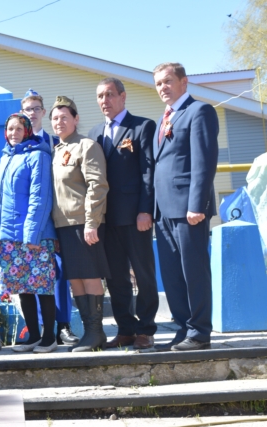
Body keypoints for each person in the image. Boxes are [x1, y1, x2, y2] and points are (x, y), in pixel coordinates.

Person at [87, 78, 159, 350]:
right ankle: (126, 329)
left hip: (134, 216)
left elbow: (147, 172)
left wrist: (145, 210)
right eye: (100, 96)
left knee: (143, 274)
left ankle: (146, 329)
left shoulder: (142, 126)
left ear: (122, 97)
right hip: (106, 219)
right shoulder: (94, 133)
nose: (104, 101)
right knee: (115, 277)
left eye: (109, 95)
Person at [151, 62, 218, 352]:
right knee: (172, 274)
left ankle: (200, 331)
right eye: (158, 84)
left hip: (188, 209)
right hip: (163, 212)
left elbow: (204, 163)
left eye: (168, 81)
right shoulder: (164, 118)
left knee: (193, 270)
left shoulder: (198, 111)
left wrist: (197, 205)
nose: (163, 88)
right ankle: (183, 328)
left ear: (183, 82)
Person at [0, 114, 59, 354]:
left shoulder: (38, 155)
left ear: (28, 130)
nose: (13, 133)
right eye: (10, 128)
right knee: (23, 287)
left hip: (34, 235)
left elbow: (39, 198)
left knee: (42, 286)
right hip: (8, 235)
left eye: (19, 128)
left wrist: (32, 234)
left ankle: (50, 337)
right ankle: (33, 335)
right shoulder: (5, 158)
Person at [50, 96, 110, 352]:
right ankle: (89, 331)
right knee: (74, 278)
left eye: (64, 117)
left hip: (83, 223)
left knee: (90, 275)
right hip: (63, 225)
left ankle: (96, 332)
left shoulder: (86, 146)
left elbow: (98, 185)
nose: (59, 122)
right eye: (54, 118)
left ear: (76, 119)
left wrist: (91, 222)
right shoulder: (55, 150)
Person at [21, 89, 79, 346]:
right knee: (31, 276)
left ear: (43, 113)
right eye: (27, 109)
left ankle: (63, 325)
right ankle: (40, 328)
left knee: (59, 272)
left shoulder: (57, 143)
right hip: (30, 222)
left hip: (57, 218)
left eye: (35, 109)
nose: (31, 114)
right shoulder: (16, 144)